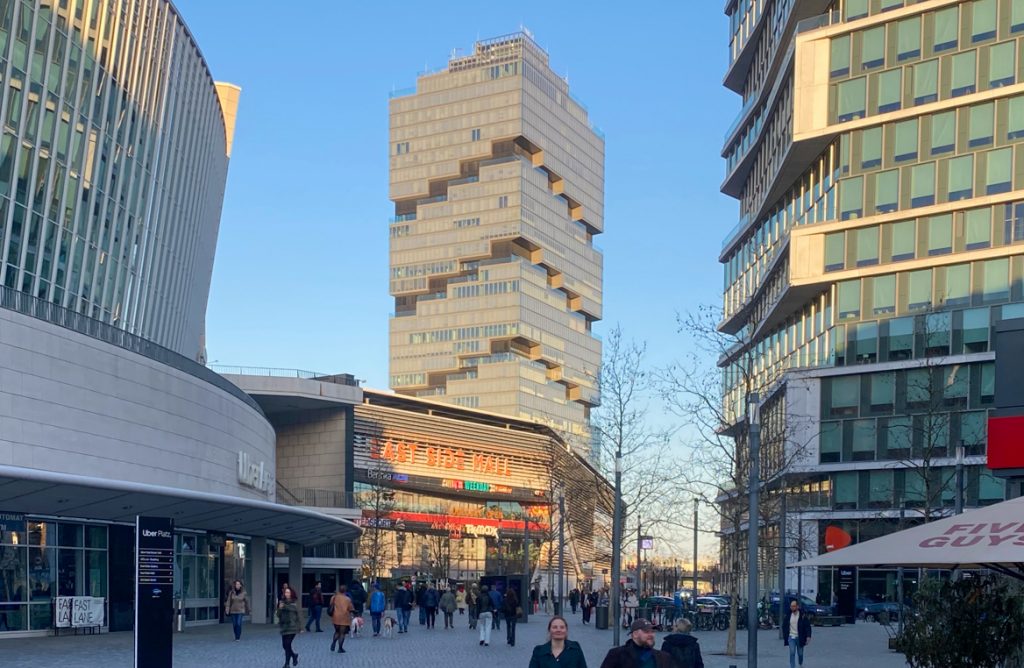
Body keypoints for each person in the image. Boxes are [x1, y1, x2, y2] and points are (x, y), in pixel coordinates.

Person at [599, 618, 673, 668]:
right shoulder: (617, 655)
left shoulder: (664, 657)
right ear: (635, 634)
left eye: (652, 631)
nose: (651, 635)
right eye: (646, 632)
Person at [277, 585, 301, 668]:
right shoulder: (281, 602)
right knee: (284, 645)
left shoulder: (293, 602)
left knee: (287, 644)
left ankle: (287, 664)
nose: (287, 594)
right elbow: (278, 615)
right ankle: (294, 655)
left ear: (291, 594)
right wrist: (279, 609)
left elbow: (295, 611)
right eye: (286, 592)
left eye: (288, 592)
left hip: (292, 626)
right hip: (284, 626)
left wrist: (301, 627)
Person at [783, 599, 812, 668]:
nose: (792, 607)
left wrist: (808, 636)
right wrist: (785, 634)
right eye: (791, 606)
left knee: (800, 653)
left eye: (794, 606)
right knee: (792, 652)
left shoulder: (803, 616)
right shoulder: (788, 615)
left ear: (797, 607)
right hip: (791, 637)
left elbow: (807, 626)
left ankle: (800, 662)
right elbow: (784, 625)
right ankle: (792, 666)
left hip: (800, 637)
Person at [329, 584, 354, 653]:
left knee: (337, 631)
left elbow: (331, 605)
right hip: (344, 618)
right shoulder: (347, 599)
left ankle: (334, 642)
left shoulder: (334, 597)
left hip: (335, 617)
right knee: (342, 633)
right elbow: (351, 608)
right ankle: (340, 648)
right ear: (345, 591)